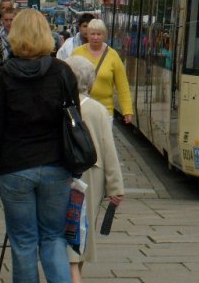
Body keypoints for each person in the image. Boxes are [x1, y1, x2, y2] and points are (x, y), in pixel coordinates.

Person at [0, 8, 78, 283]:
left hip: (15, 167)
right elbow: (74, 120)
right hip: (56, 165)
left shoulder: (4, 75)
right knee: (53, 236)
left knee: (23, 241)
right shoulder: (62, 72)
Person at [64, 56, 124, 283]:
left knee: (66, 225)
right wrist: (116, 187)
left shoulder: (56, 105)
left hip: (63, 172)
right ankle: (74, 273)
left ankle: (72, 273)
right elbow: (109, 150)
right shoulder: (98, 110)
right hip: (92, 174)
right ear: (90, 81)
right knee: (83, 225)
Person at [72, 19, 133, 124]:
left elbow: (122, 84)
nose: (95, 37)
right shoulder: (77, 53)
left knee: (103, 140)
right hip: (82, 109)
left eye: (99, 34)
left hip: (105, 111)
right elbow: (68, 78)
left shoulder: (113, 55)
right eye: (92, 34)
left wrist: (127, 110)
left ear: (104, 36)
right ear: (87, 35)